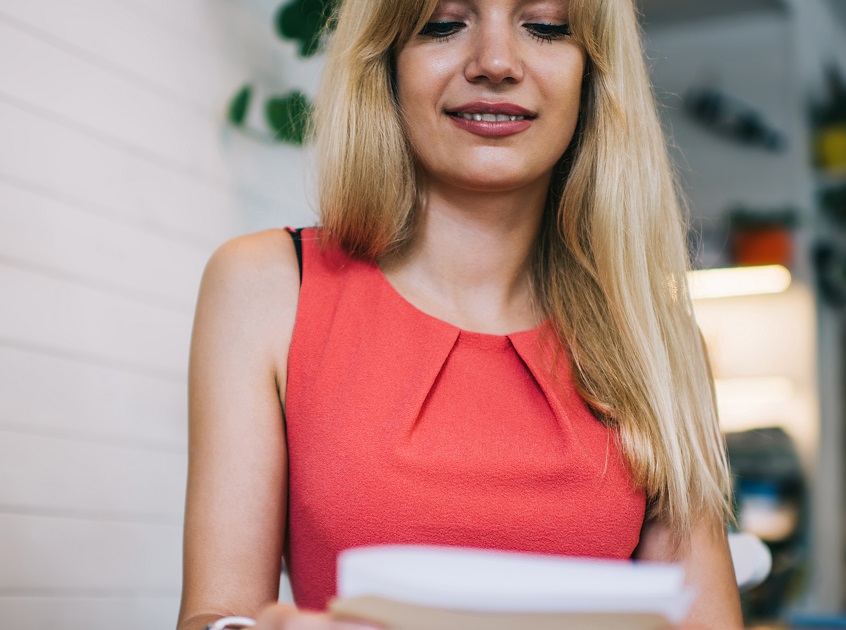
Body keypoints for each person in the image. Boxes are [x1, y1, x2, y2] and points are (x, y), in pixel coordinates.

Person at [176, 0, 743, 627]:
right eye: (443, 24)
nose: (496, 62)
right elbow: (216, 615)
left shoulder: (657, 340)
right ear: (386, 64)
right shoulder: (266, 285)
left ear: (593, 73)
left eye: (546, 26)